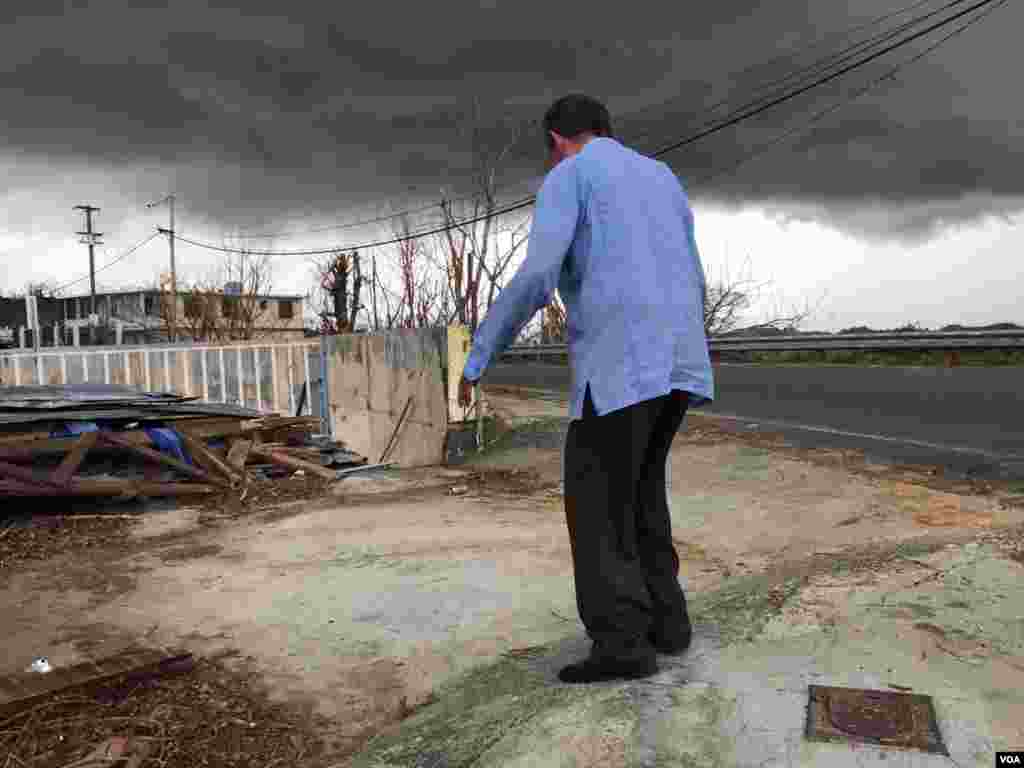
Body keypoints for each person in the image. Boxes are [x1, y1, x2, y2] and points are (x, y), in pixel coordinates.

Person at [457, 94, 714, 684]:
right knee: (643, 492)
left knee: (597, 504)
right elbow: (693, 271)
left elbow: (540, 272)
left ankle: (623, 645)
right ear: (605, 129)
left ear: (555, 140)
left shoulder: (570, 175)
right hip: (679, 359)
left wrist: (479, 356)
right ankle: (668, 625)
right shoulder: (661, 176)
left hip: (621, 363)